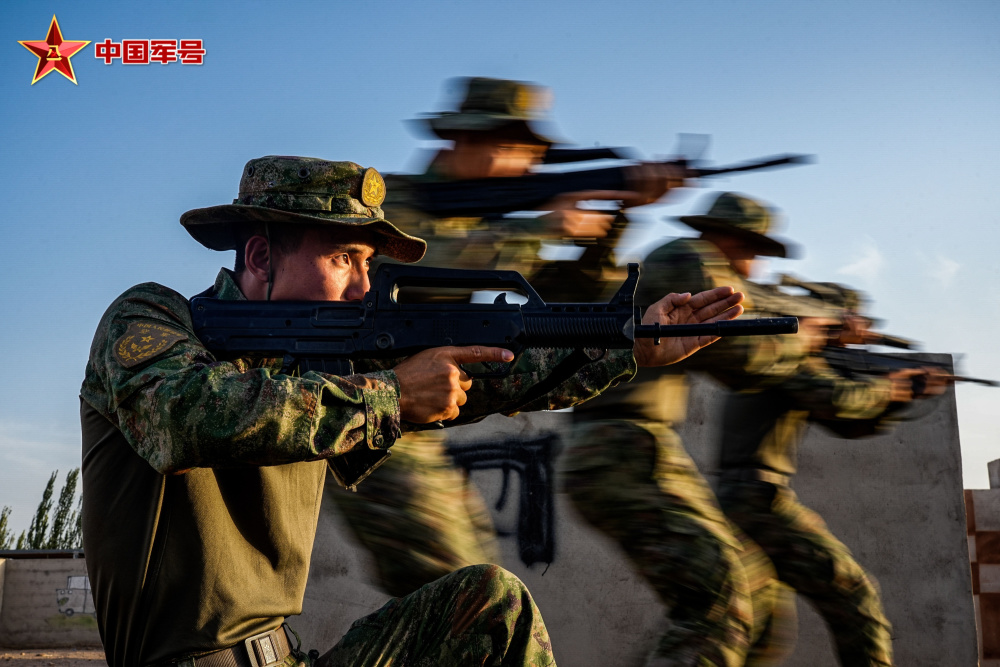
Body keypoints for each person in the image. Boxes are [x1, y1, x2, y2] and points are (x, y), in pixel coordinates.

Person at [80, 155, 744, 667]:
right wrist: (392, 394)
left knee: (490, 605)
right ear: (259, 256)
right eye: (344, 257)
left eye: (368, 263)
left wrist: (628, 343)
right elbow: (184, 417)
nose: (364, 287)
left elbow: (491, 375)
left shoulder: (321, 372)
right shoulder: (152, 320)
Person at [331, 76, 688, 599]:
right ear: (466, 139)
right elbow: (428, 261)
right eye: (516, 147)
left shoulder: (488, 221)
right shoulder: (392, 201)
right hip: (362, 413)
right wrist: (543, 228)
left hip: (413, 428)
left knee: (473, 584)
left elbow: (573, 295)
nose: (529, 164)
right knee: (463, 596)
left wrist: (614, 217)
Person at [563, 192, 812, 667]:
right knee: (719, 604)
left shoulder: (683, 260)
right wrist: (807, 340)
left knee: (758, 598)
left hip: (635, 448)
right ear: (732, 241)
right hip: (621, 448)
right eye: (754, 252)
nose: (755, 268)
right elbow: (742, 358)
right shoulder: (689, 257)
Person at [714, 282, 948, 667]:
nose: (858, 329)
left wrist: (899, 395)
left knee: (751, 632)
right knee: (854, 597)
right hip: (757, 500)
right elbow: (836, 400)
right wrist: (894, 389)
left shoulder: (787, 352)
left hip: (745, 500)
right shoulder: (788, 352)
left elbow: (846, 423)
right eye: (848, 319)